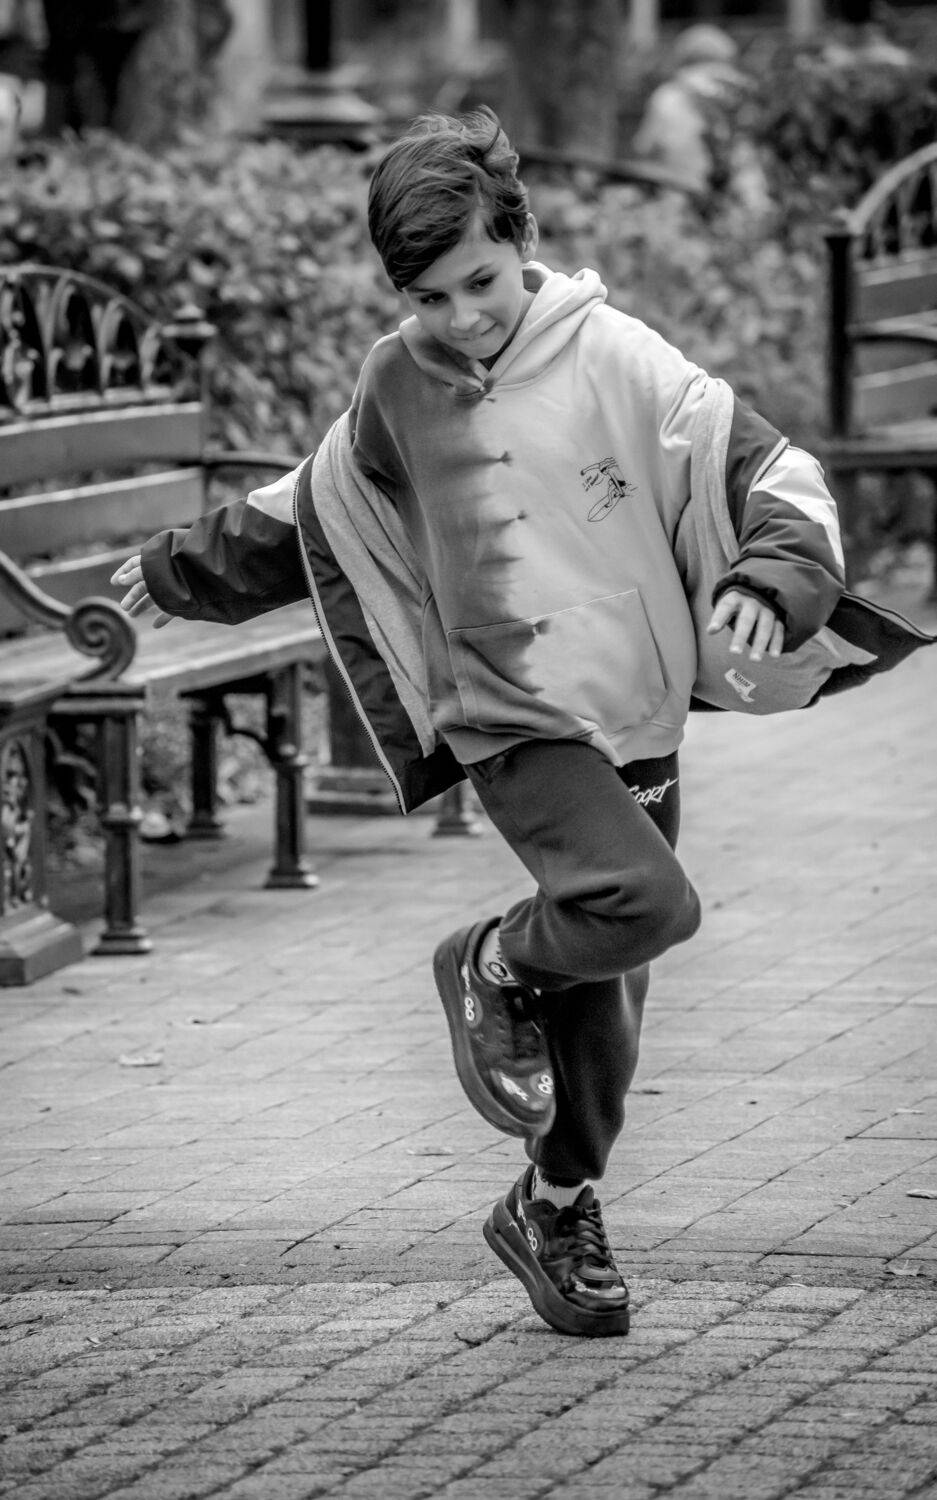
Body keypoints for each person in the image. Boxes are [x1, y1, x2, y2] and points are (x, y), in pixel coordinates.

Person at [112, 108, 931, 1339]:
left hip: (632, 711)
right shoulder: (396, 383)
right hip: (507, 715)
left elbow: (766, 471)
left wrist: (771, 580)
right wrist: (179, 568)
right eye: (426, 297)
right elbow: (317, 506)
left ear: (524, 239)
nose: (459, 317)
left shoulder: (616, 357)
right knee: (645, 904)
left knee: (605, 996)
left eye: (479, 283)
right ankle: (488, 961)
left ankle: (553, 1206)